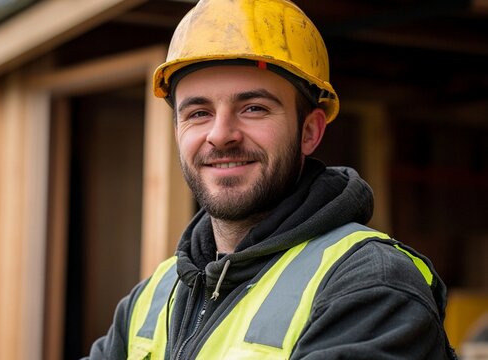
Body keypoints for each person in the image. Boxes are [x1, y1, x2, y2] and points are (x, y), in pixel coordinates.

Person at [85, 0, 457, 358]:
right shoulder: (153, 296)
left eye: (253, 108)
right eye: (198, 112)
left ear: (310, 131)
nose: (220, 134)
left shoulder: (371, 283)